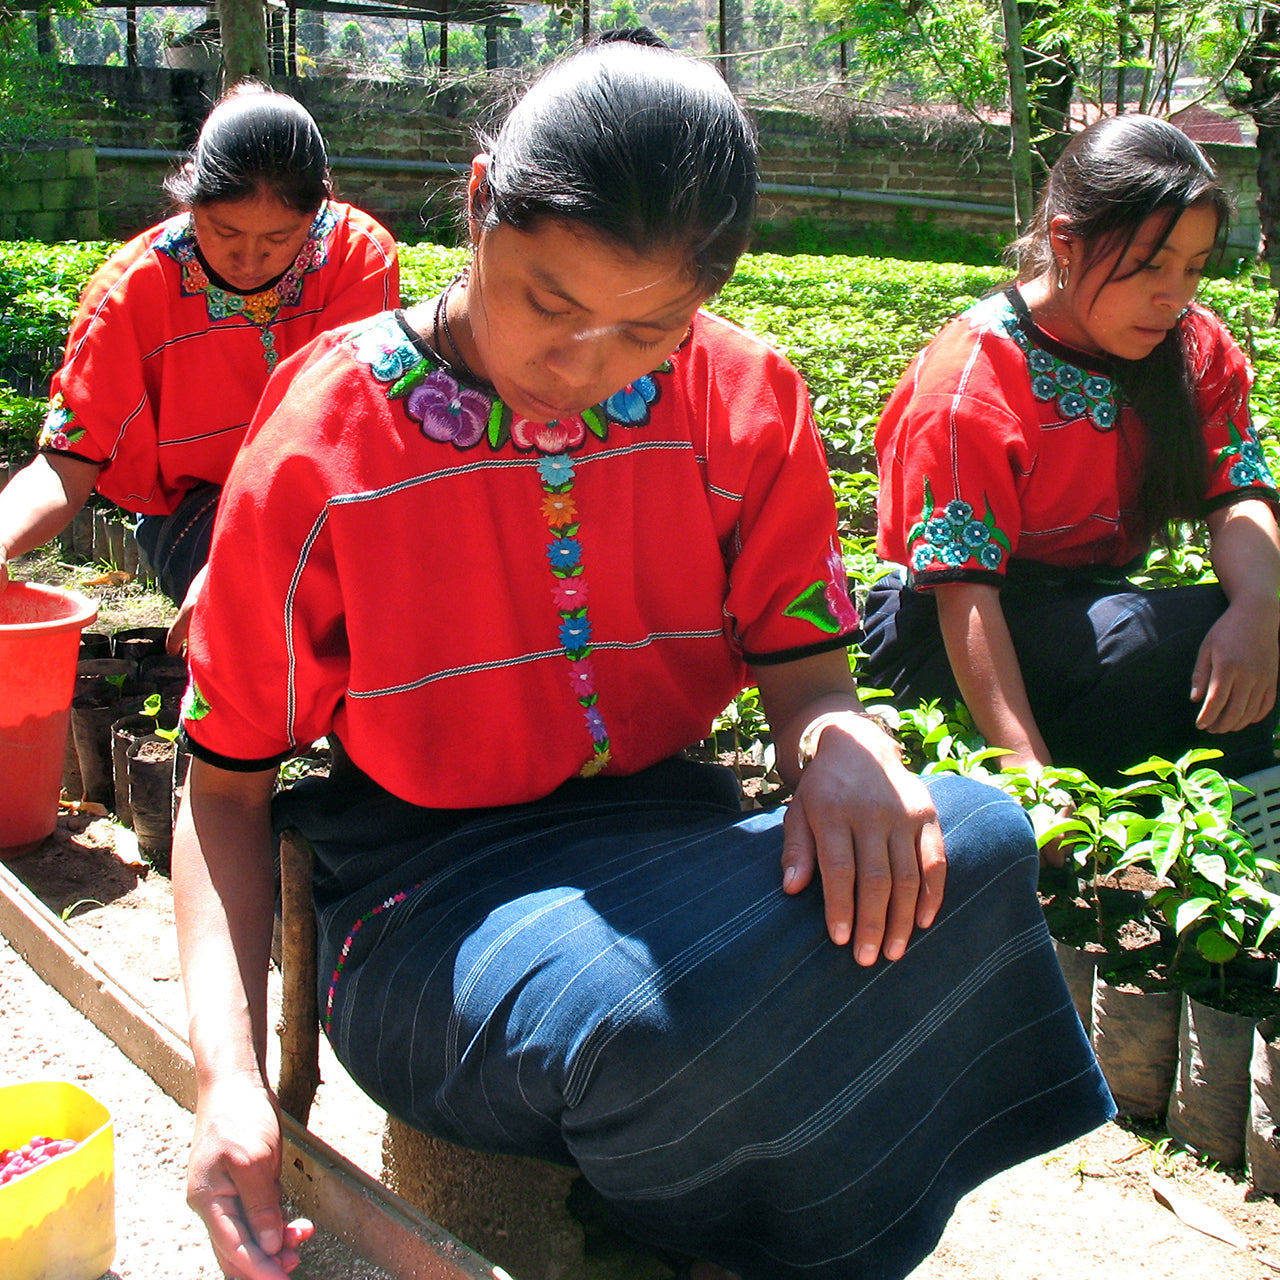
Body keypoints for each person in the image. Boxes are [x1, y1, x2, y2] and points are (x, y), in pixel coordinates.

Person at [173, 36, 1113, 1280]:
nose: (583, 366)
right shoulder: (323, 438)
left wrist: (838, 743)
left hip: (672, 840)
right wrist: (228, 1081)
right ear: (475, 202)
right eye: (547, 302)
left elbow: (809, 678)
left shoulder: (740, 398)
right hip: (424, 896)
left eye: (648, 330)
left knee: (977, 839)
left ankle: (683, 1230)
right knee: (650, 1022)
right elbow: (223, 787)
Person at [863, 114, 1280, 789]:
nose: (1174, 297)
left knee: (1241, 624)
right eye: (1149, 266)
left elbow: (1237, 490)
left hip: (1085, 612)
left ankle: (1237, 792)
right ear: (1066, 242)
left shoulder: (1193, 344)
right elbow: (963, 594)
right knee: (1156, 646)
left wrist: (1261, 609)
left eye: (1194, 269)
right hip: (949, 640)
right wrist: (1030, 774)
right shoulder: (975, 376)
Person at [0, 83, 399, 648]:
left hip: (327, 494)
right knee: (264, 616)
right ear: (190, 202)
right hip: (197, 508)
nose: (249, 258)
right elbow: (67, 461)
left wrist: (248, 561)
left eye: (279, 237)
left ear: (319, 210)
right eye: (225, 231)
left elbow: (345, 440)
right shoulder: (130, 293)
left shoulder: (357, 259)